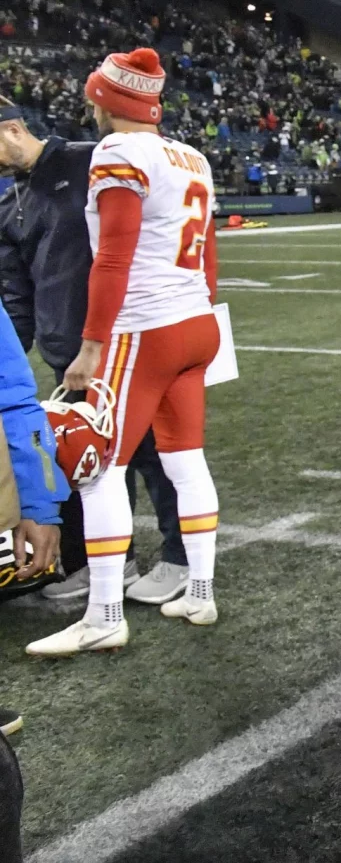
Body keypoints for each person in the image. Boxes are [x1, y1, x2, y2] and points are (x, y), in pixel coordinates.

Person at [27, 49, 222, 656]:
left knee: (100, 467)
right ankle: (200, 589)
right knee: (185, 460)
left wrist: (91, 345)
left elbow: (112, 256)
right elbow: (209, 258)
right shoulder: (192, 155)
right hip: (195, 321)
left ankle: (105, 613)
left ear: (105, 100)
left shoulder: (117, 153)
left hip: (146, 328)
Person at [0, 98, 188, 606]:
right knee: (88, 461)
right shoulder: (5, 203)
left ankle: (181, 558)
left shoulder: (94, 158)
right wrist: (11, 362)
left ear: (13, 128)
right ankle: (111, 560)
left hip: (127, 340)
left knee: (154, 452)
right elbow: (16, 293)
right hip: (70, 353)